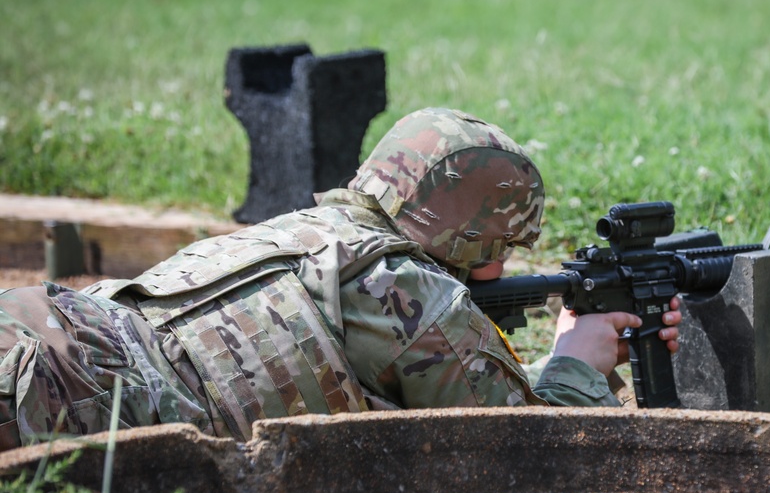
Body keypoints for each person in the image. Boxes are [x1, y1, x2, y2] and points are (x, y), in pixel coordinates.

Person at [0, 107, 681, 450]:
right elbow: (531, 459)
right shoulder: (416, 295)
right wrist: (575, 363)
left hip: (43, 322)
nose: (499, 269)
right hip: (71, 401)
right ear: (466, 238)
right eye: (499, 248)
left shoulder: (302, 231)